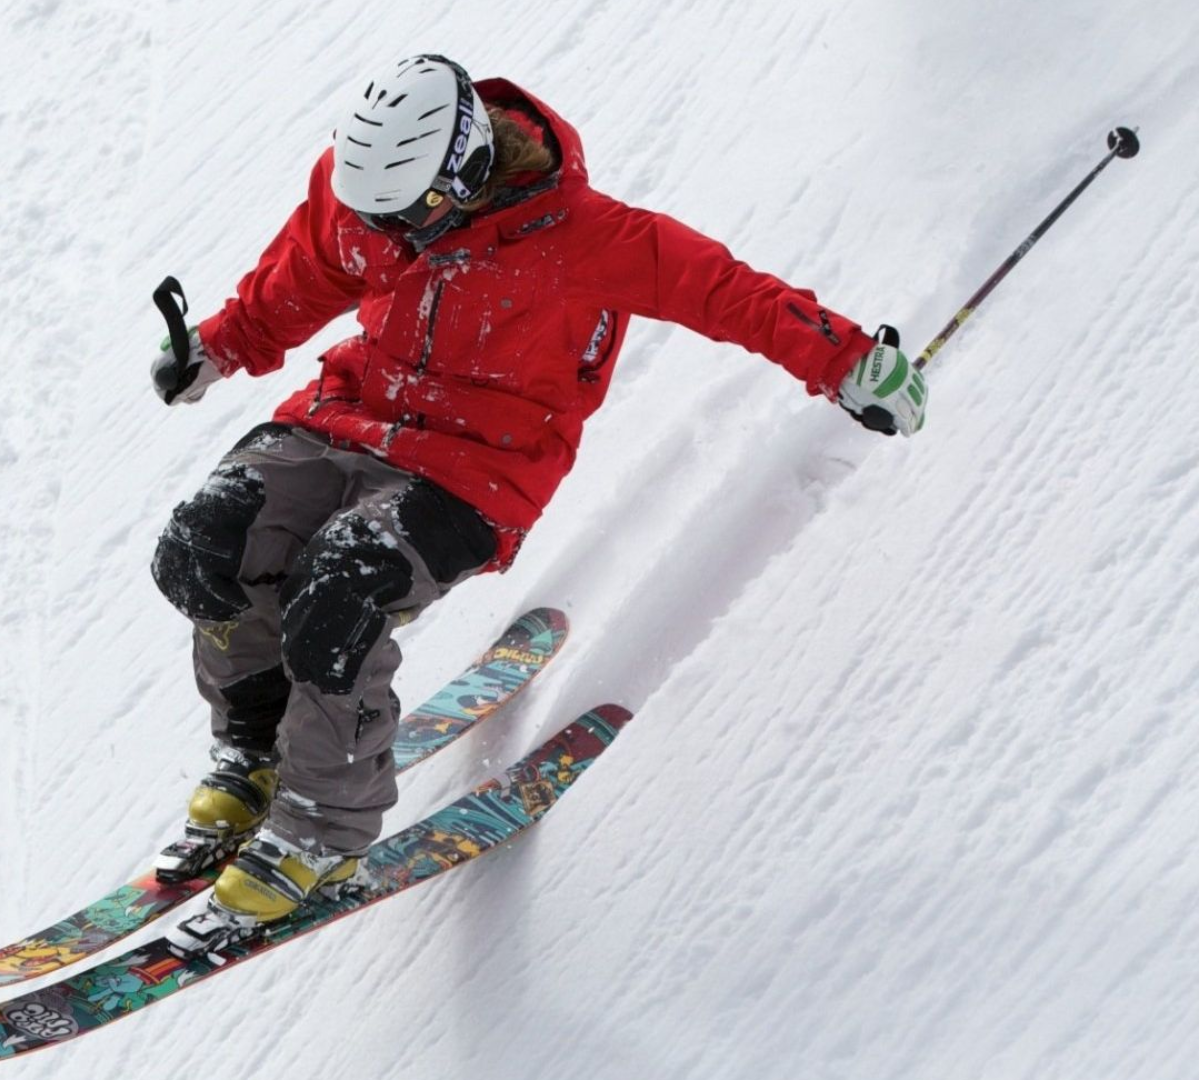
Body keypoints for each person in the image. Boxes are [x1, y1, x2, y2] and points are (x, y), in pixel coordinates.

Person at [146, 54, 926, 934]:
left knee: (337, 590)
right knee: (205, 545)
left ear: (467, 167)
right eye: (376, 214)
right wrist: (220, 344)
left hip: (474, 468)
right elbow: (312, 268)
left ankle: (324, 824)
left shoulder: (592, 239)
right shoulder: (370, 190)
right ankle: (256, 747)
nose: (392, 233)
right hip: (347, 417)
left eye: (408, 214)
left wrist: (849, 359)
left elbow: (731, 294)